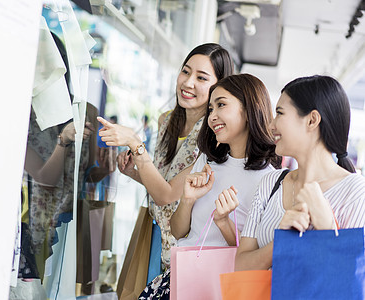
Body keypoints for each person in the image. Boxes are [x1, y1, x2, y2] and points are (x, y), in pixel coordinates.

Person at [138, 73, 281, 299]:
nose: (212, 116)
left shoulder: (270, 181)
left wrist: (224, 223)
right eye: (211, 109)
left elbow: (255, 259)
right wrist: (188, 199)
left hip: (221, 291)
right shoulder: (207, 162)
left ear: (249, 109)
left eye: (221, 105)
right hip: (181, 282)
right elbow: (178, 231)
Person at [97, 43, 234, 270]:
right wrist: (134, 171)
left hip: (183, 252)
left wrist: (136, 144)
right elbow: (163, 182)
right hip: (153, 237)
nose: (188, 83)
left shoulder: (214, 136)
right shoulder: (166, 120)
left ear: (218, 87)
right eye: (186, 71)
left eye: (201, 78)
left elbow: (168, 195)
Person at [235, 75, 365, 271]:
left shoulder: (355, 192)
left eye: (279, 113)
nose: (271, 125)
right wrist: (281, 240)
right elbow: (241, 267)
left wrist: (326, 225)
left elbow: (350, 282)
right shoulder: (271, 183)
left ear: (312, 120)